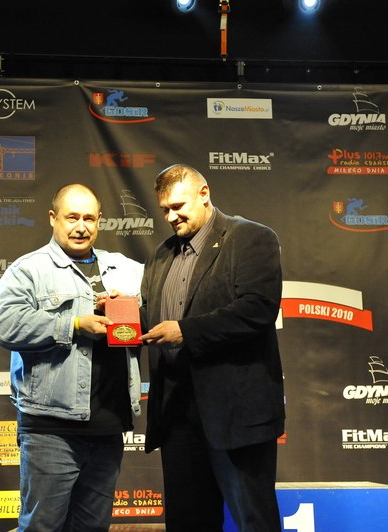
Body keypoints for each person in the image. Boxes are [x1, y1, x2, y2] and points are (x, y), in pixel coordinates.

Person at [139, 164, 285, 532]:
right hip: (176, 415)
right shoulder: (160, 255)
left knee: (254, 521)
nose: (171, 217)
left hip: (235, 414)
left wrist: (186, 331)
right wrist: (119, 312)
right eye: (164, 210)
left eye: (178, 206)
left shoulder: (250, 237)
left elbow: (258, 309)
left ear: (204, 194)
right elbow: (153, 317)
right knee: (187, 523)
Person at [0, 183, 143, 531]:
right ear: (53, 218)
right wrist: (74, 324)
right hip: (51, 429)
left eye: (89, 218)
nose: (81, 226)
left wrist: (128, 308)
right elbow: (6, 326)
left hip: (108, 427)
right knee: (42, 527)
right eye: (72, 217)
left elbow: (157, 309)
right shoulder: (28, 269)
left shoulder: (124, 269)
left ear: (100, 220)